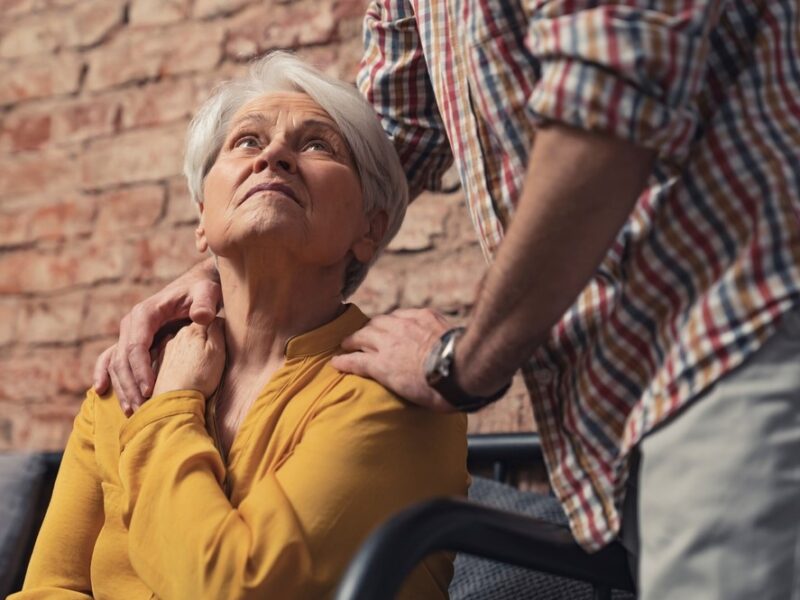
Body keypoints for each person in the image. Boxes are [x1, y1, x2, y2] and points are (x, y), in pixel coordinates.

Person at [96, 2, 800, 598]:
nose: (273, 156)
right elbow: (382, 138)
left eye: (298, 149)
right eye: (246, 144)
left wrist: (461, 366)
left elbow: (610, 96)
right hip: (629, 408)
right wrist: (235, 269)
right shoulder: (145, 370)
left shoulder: (363, 400)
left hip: (742, 323)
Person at [15, 52, 468, 600]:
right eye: (247, 141)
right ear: (202, 218)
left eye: (317, 144)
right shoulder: (132, 373)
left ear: (369, 229)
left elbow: (233, 585)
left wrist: (173, 403)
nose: (274, 154)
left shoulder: (393, 387)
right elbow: (49, 587)